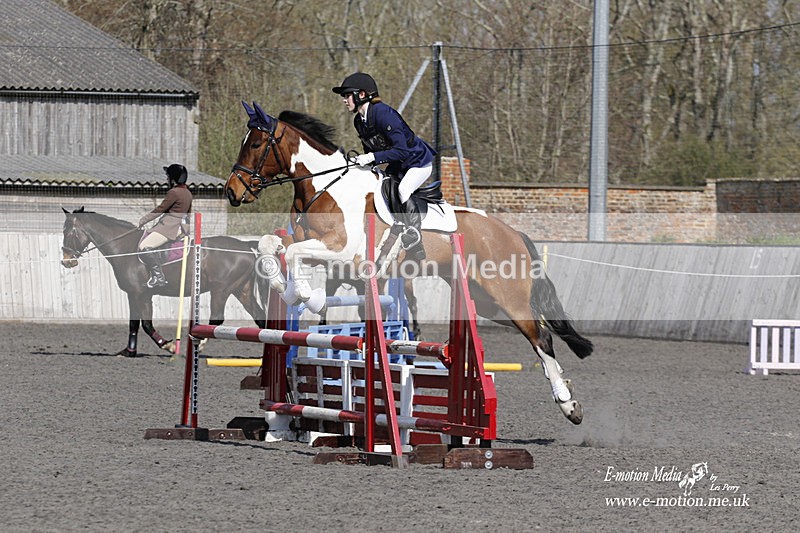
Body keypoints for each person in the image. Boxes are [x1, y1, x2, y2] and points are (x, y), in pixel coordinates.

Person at [332, 72, 436, 260]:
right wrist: (363, 163)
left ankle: (415, 237)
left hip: (417, 163)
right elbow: (371, 152)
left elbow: (402, 151)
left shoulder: (383, 114)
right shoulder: (359, 121)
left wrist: (371, 157)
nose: (344, 100)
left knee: (403, 190)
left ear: (361, 95)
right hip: (397, 166)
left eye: (347, 95)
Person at [137, 164, 192, 288]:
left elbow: (160, 209)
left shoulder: (174, 192)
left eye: (168, 176)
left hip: (171, 227)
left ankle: (158, 277)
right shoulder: (188, 192)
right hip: (181, 227)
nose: (167, 179)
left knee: (144, 245)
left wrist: (143, 220)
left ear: (172, 179)